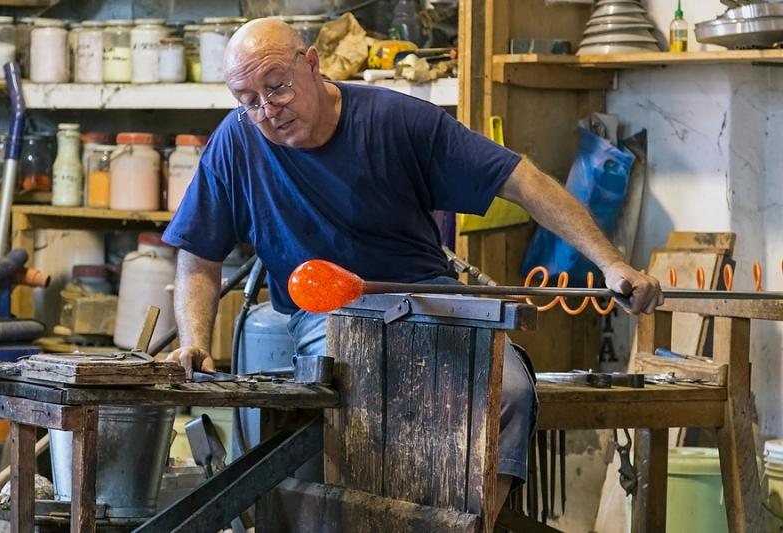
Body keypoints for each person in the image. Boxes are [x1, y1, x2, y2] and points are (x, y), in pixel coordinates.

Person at [163, 17, 663, 514]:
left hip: (429, 299)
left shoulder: (396, 120)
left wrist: (611, 262)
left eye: (277, 88)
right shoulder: (236, 141)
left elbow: (522, 180)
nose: (268, 111)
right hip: (329, 313)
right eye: (248, 101)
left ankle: (470, 524)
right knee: (368, 396)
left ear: (312, 64)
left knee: (507, 391)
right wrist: (194, 342)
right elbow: (199, 254)